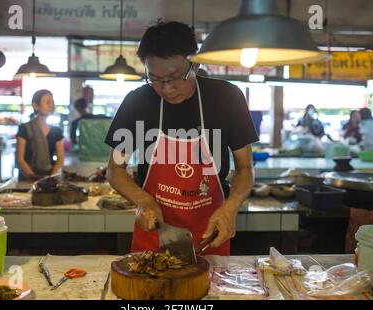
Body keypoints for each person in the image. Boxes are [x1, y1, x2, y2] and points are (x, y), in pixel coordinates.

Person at [104, 21, 259, 256]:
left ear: (194, 65)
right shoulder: (137, 103)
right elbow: (115, 169)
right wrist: (143, 202)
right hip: (154, 236)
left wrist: (230, 208)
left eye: (176, 77)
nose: (167, 89)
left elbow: (245, 168)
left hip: (210, 237)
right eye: (155, 79)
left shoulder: (227, 99)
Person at [16, 89, 64, 180]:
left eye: (52, 102)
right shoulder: (25, 128)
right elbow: (20, 160)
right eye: (48, 102)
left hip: (50, 178)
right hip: (27, 179)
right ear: (36, 106)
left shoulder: (56, 131)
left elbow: (60, 160)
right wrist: (34, 178)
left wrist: (50, 179)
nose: (51, 105)